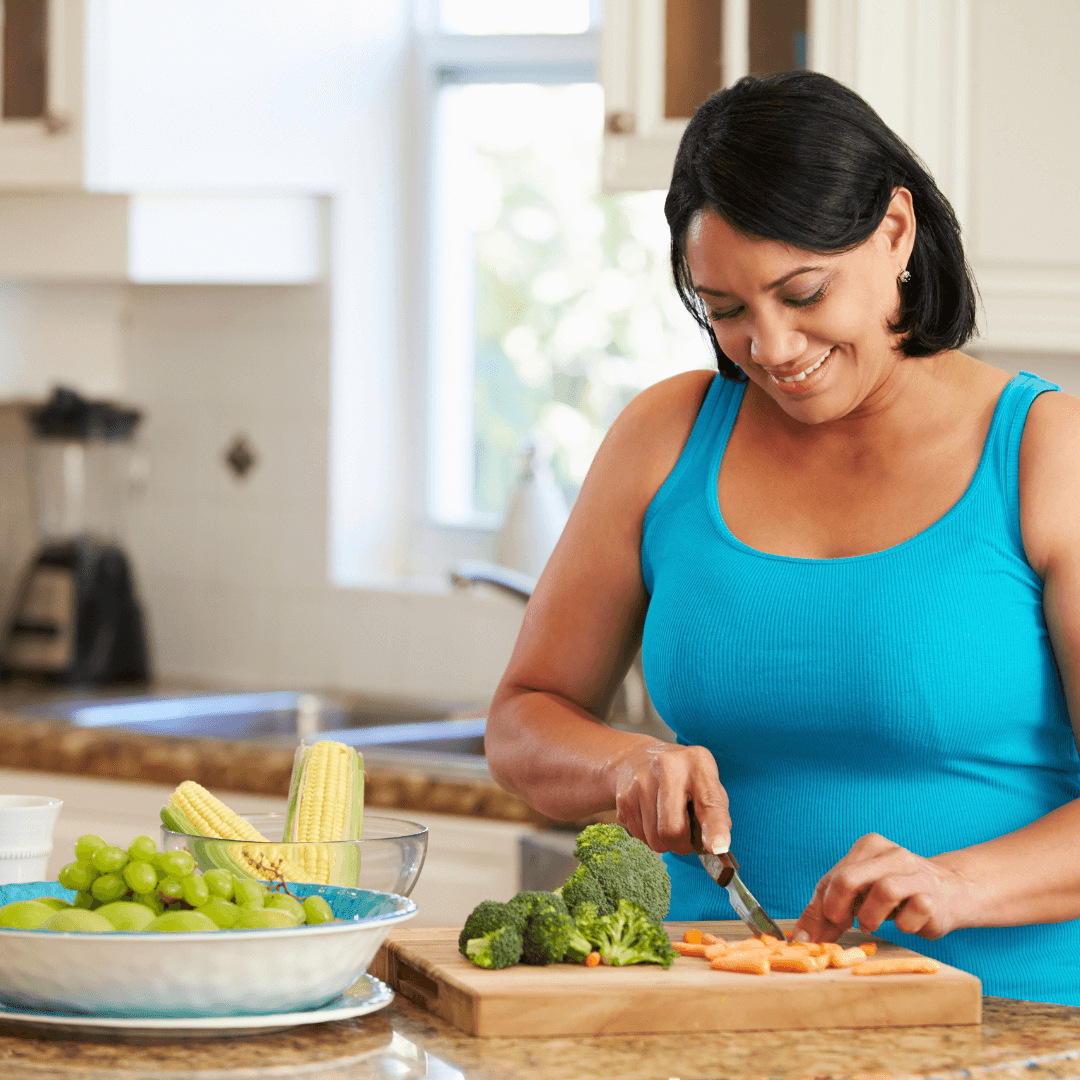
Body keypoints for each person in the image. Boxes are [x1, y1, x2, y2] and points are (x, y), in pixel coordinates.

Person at [484, 70, 1080, 1005]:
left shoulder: (1045, 453)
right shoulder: (667, 436)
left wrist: (957, 884)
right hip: (709, 1006)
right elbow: (524, 717)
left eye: (803, 292)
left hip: (1002, 1022)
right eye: (724, 309)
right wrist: (625, 762)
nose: (770, 347)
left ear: (895, 231)